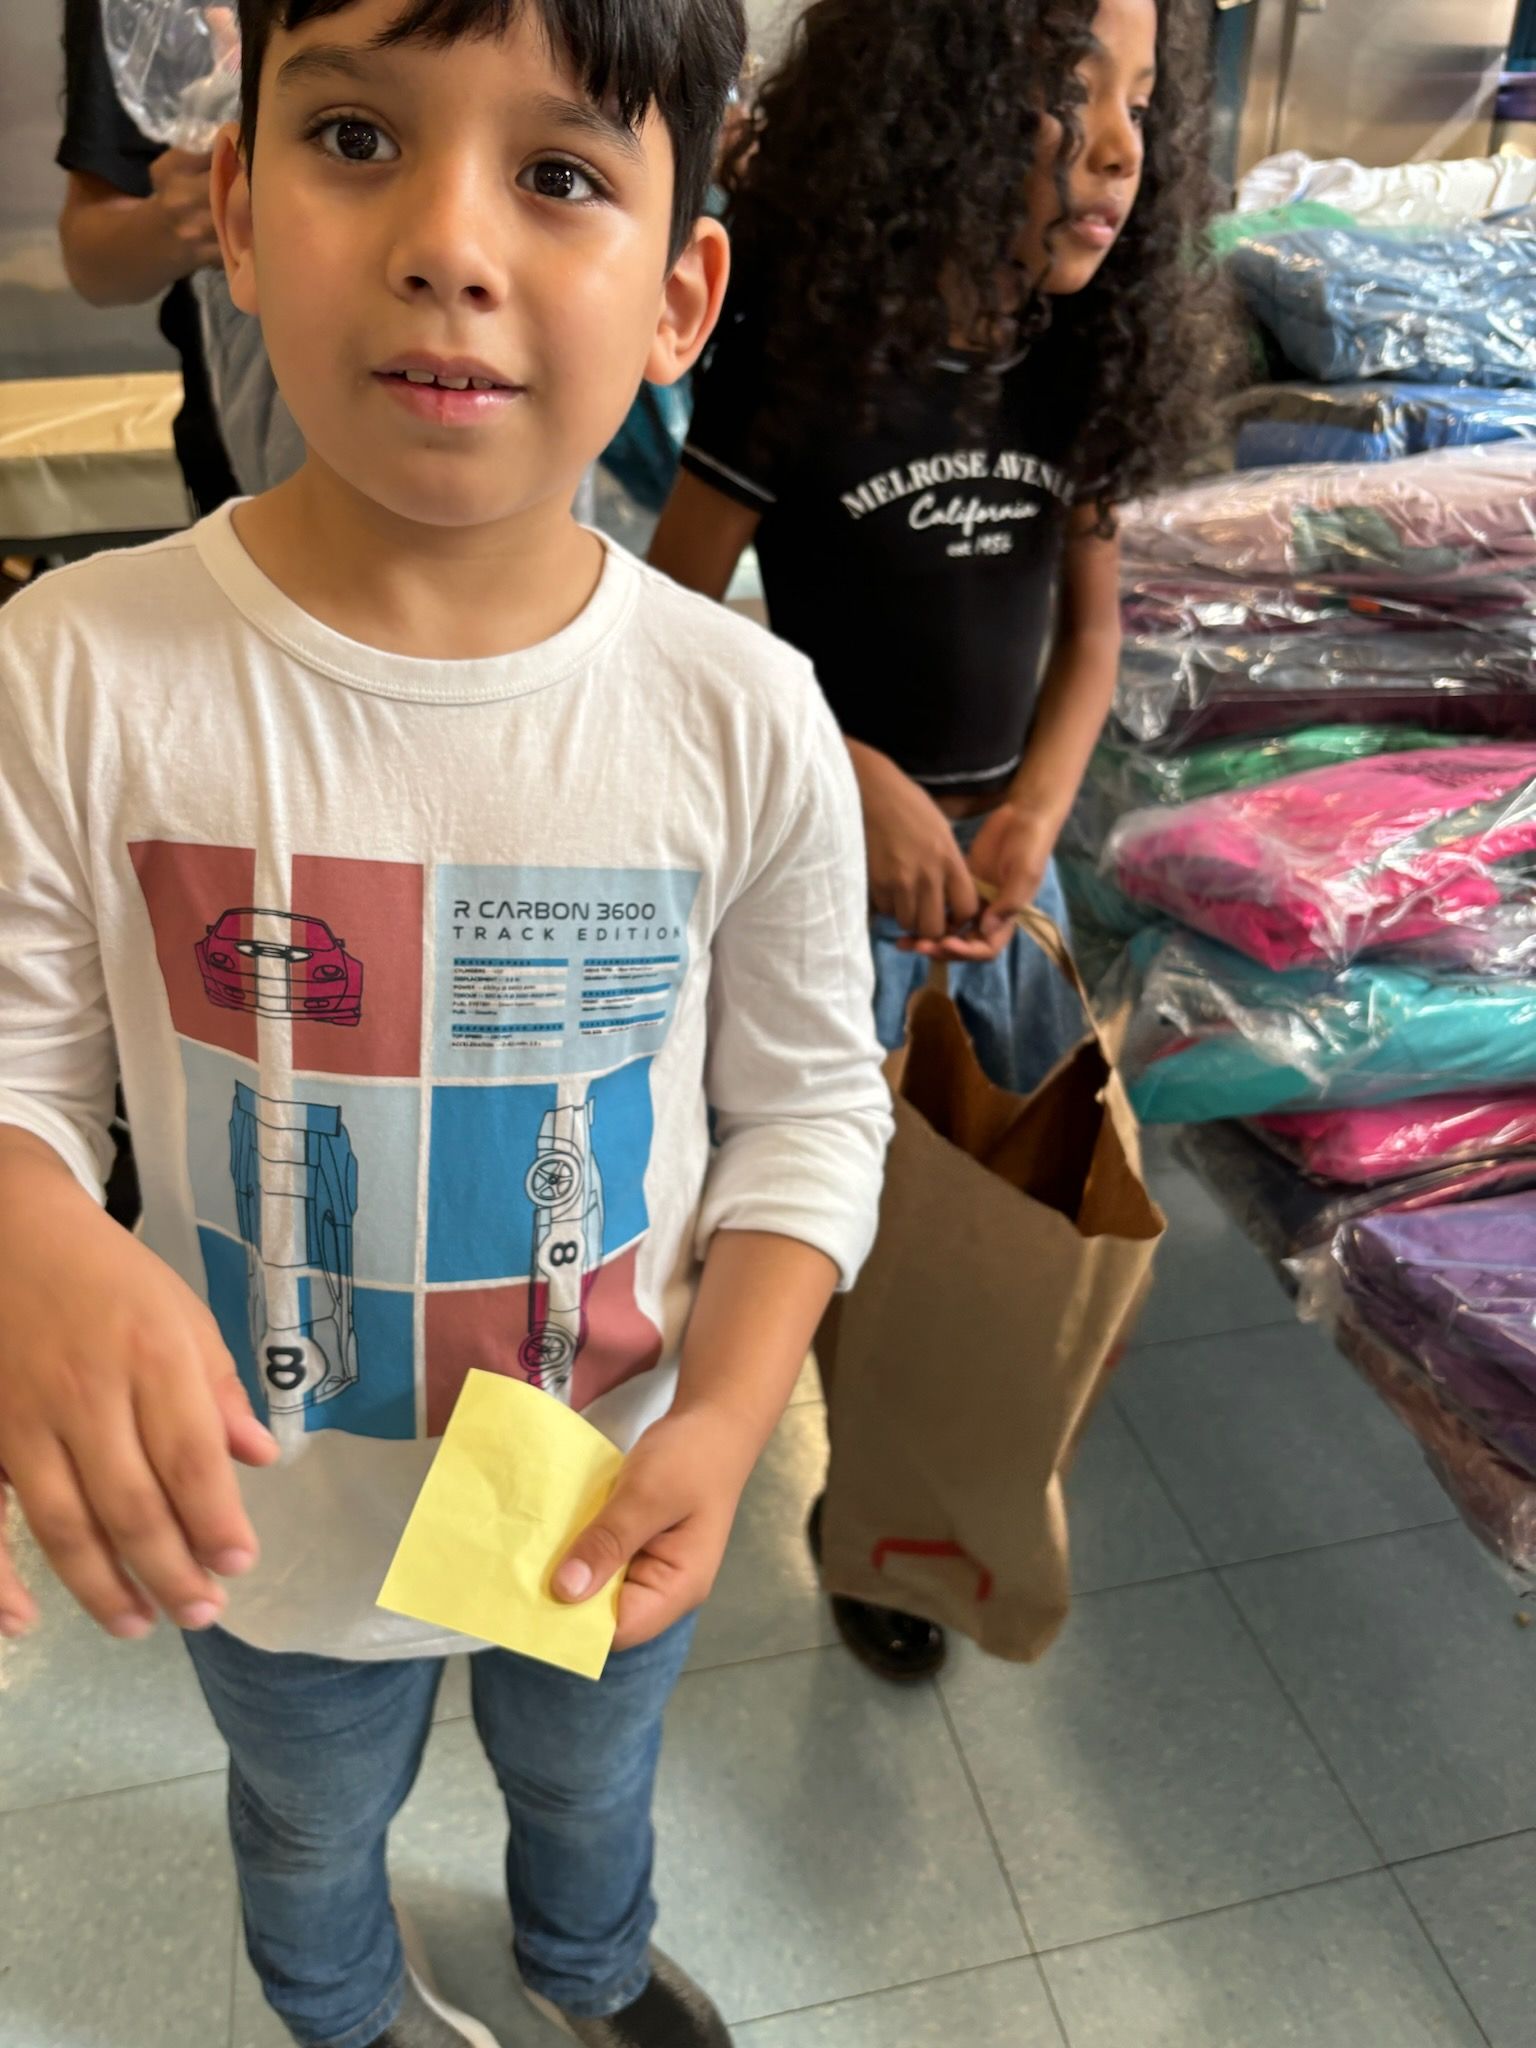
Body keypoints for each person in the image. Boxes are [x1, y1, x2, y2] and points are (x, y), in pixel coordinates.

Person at [0, 5, 892, 2047]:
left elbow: (813, 1114)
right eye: (351, 135)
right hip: (270, 1521)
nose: (448, 240)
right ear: (231, 202)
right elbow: (18, 1070)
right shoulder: (71, 671)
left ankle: (582, 1968)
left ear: (682, 295)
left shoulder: (741, 712)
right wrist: (27, 1230)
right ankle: (343, 2016)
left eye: (561, 172)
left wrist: (739, 1411)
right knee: (310, 1822)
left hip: (604, 1476)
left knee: (589, 1781)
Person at [650, 0, 1224, 1681]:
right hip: (830, 873)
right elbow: (676, 622)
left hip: (1006, 880)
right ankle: (811, 1484)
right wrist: (850, 777)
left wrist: (1036, 811)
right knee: (828, 1219)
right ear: (943, 107)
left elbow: (1091, 635)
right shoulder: (813, 342)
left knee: (1001, 1226)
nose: (1118, 147)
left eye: (1140, 104)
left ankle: (907, 1502)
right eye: (1067, 95)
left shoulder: (1080, 347)